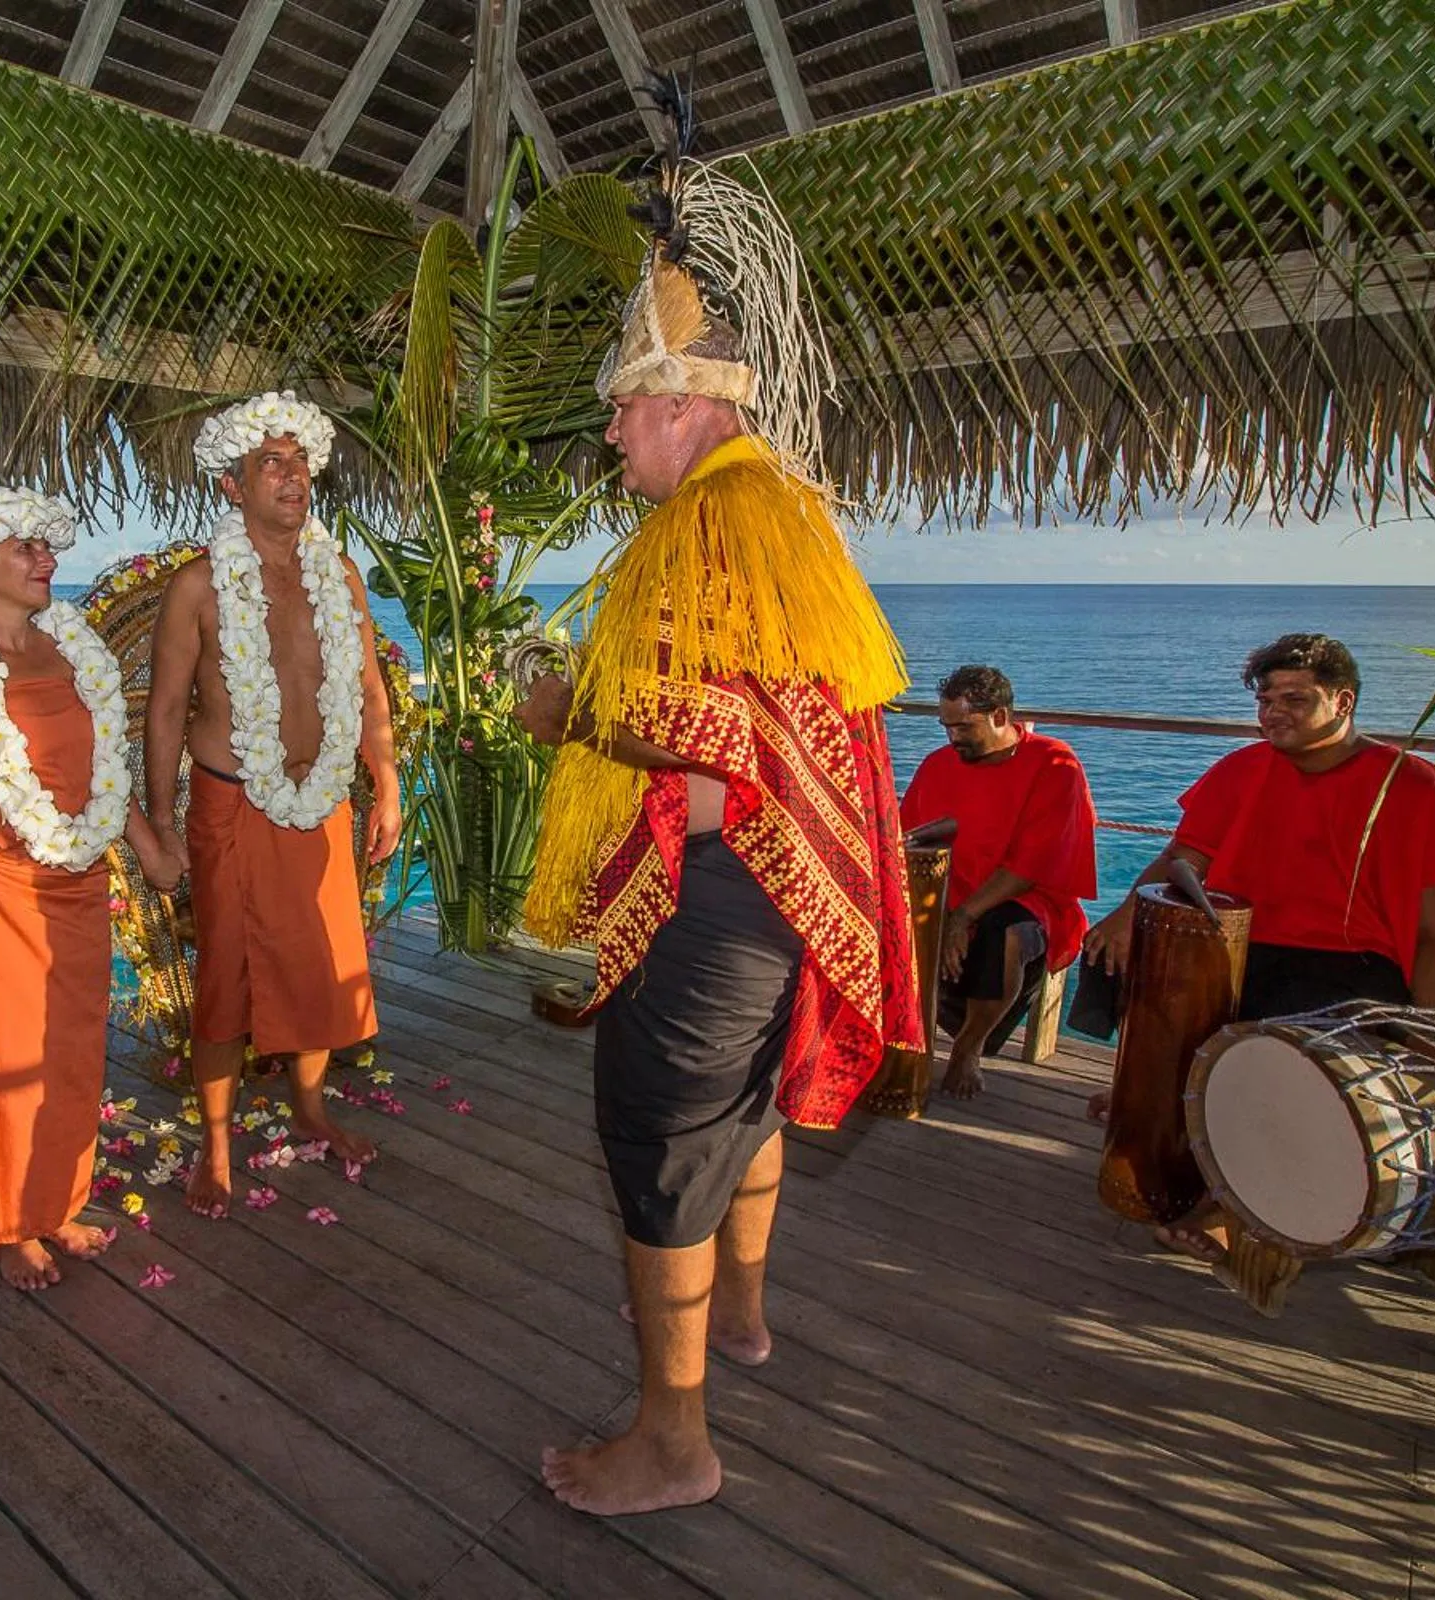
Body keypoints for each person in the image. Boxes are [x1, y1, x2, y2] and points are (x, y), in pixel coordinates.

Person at [514, 158, 919, 1516]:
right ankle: (740, 1316)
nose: (612, 438)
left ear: (679, 405)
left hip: (718, 888)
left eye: (623, 414)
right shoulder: (774, 511)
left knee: (663, 1147)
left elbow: (705, 739)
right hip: (774, 887)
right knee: (743, 1115)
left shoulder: (707, 527)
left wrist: (567, 711)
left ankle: (675, 1441)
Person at [1080, 631, 1435, 1278]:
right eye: (1267, 699)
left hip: (1353, 963)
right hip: (1245, 943)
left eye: (1295, 699)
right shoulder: (1243, 770)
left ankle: (1231, 1206)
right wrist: (1119, 916)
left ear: (1344, 702)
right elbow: (1184, 859)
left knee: (1273, 1039)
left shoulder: (1411, 787)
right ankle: (1148, 1113)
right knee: (1122, 966)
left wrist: (1431, 1036)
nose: (1274, 712)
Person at [0, 485, 180, 1291]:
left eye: (46, 547)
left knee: (73, 1052)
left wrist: (149, 845)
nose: (47, 560)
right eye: (25, 549)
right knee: (2, 1062)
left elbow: (100, 774)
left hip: (76, 885)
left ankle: (58, 1203)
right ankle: (10, 1226)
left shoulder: (68, 649)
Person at [144, 392, 402, 1219]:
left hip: (322, 801)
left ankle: (311, 1106)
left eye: (299, 463)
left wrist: (386, 783)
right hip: (231, 805)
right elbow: (163, 710)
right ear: (232, 486)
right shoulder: (196, 586)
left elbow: (367, 689)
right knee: (227, 974)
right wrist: (156, 821)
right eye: (271, 464)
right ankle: (215, 1145)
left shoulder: (340, 576)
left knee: (322, 963)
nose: (293, 478)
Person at [902, 664, 1098, 1098]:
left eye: (964, 726)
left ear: (1000, 716)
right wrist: (941, 912)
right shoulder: (939, 764)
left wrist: (962, 918)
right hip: (951, 892)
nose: (953, 738)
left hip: (1031, 896)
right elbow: (908, 837)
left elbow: (1033, 865)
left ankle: (969, 1048)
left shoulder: (1054, 763)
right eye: (946, 726)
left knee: (1004, 933)